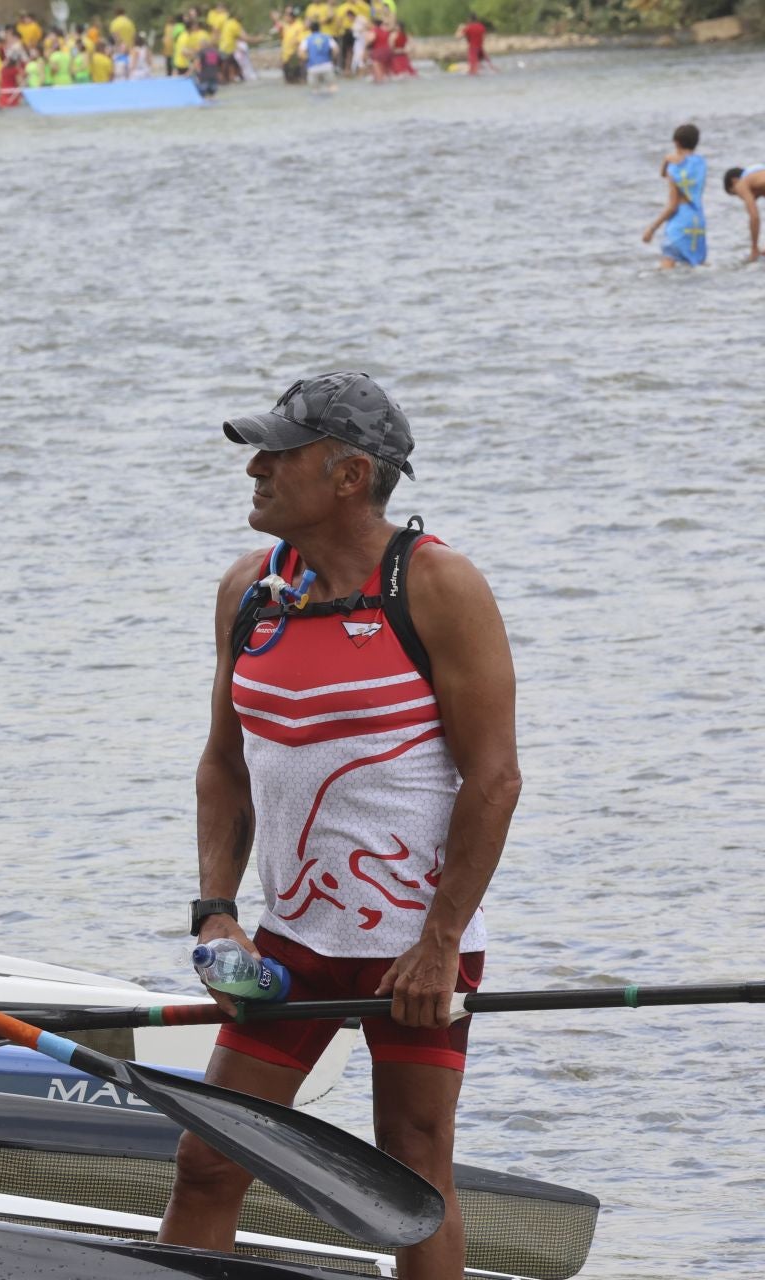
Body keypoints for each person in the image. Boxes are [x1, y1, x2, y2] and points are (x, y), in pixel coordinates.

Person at [158, 372, 518, 1280]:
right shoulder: (248, 592)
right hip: (289, 951)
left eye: (280, 453)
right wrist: (214, 912)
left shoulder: (437, 586)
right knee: (208, 1163)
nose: (257, 469)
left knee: (410, 1176)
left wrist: (439, 945)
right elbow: (223, 765)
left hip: (417, 950)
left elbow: (496, 780)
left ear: (351, 474)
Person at [644, 123, 707, 269]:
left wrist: (652, 228)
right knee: (697, 264)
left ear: (676, 142)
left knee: (668, 262)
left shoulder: (674, 170)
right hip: (697, 220)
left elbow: (672, 206)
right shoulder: (701, 164)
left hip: (680, 220)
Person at [722, 165, 765, 262]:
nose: (741, 197)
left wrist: (754, 248)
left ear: (734, 181)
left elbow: (754, 217)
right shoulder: (758, 175)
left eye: (736, 193)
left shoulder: (741, 184)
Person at [303, 20, 338, 92]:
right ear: (320, 28)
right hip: (327, 65)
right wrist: (332, 59)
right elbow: (336, 49)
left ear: (310, 29)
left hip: (313, 67)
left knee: (315, 90)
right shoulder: (327, 37)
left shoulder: (307, 39)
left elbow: (301, 52)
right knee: (332, 87)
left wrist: (308, 59)